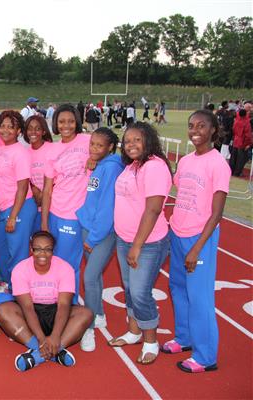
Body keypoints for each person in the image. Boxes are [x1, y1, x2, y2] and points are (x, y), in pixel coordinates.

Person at [165, 110, 230, 373]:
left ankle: (206, 356)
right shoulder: (186, 160)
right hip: (178, 232)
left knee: (200, 296)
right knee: (178, 288)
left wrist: (197, 247)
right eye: (192, 125)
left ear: (213, 129)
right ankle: (185, 337)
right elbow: (182, 191)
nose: (195, 130)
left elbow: (216, 213)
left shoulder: (218, 164)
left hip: (198, 238)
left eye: (202, 126)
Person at [108, 122, 172, 366]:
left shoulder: (154, 167)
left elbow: (154, 209)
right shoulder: (134, 165)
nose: (131, 144)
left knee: (140, 293)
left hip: (147, 243)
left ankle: (150, 341)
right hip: (125, 238)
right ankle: (134, 332)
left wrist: (136, 245)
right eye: (127, 141)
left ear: (149, 141)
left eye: (137, 140)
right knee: (129, 289)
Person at [0, 231, 93, 371]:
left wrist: (55, 335)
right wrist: (41, 339)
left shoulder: (65, 268)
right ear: (31, 249)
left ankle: (40, 355)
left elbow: (64, 305)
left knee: (86, 314)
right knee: (2, 310)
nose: (43, 253)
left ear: (53, 250)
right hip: (31, 314)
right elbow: (28, 308)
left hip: (56, 312)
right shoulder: (20, 269)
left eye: (48, 249)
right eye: (38, 249)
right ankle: (51, 352)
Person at [76, 128, 123, 351]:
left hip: (101, 233)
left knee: (90, 277)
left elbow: (107, 207)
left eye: (99, 146)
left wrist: (94, 237)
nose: (93, 149)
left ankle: (90, 326)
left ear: (110, 147)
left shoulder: (112, 168)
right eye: (92, 144)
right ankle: (101, 313)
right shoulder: (101, 165)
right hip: (88, 225)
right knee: (94, 277)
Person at [41, 104, 91, 303]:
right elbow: (47, 189)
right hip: (55, 212)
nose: (66, 125)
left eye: (71, 121)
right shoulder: (53, 149)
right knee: (54, 260)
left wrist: (96, 160)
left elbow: (109, 154)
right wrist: (44, 222)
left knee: (69, 263)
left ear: (77, 122)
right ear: (55, 124)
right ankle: (56, 299)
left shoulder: (88, 141)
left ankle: (69, 304)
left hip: (75, 214)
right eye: (61, 122)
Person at [0, 110, 37, 290]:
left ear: (19, 131)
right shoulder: (1, 150)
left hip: (20, 207)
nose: (6, 130)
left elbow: (23, 186)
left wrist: (13, 215)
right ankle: (8, 281)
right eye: (2, 126)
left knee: (17, 252)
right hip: (2, 207)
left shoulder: (21, 153)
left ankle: (18, 289)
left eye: (11, 127)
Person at [24, 115, 53, 234]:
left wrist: (44, 193)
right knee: (37, 241)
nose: (33, 132)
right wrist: (34, 189)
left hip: (52, 205)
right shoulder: (25, 153)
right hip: (34, 205)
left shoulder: (52, 148)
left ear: (44, 131)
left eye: (37, 129)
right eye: (30, 128)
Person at [229, 109, 252, 177]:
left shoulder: (236, 121)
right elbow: (248, 135)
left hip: (236, 141)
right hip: (242, 142)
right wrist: (249, 144)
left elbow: (233, 130)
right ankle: (237, 173)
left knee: (233, 158)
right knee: (241, 159)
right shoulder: (246, 122)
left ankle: (231, 171)